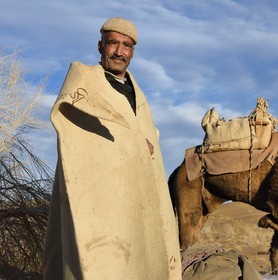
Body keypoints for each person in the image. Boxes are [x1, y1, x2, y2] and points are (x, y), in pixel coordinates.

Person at [43, 17, 182, 280]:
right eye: (113, 43)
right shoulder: (85, 81)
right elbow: (73, 128)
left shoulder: (139, 95)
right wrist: (133, 143)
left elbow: (147, 139)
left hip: (135, 195)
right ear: (100, 46)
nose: (119, 52)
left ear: (133, 52)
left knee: (141, 256)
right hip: (98, 194)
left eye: (127, 46)